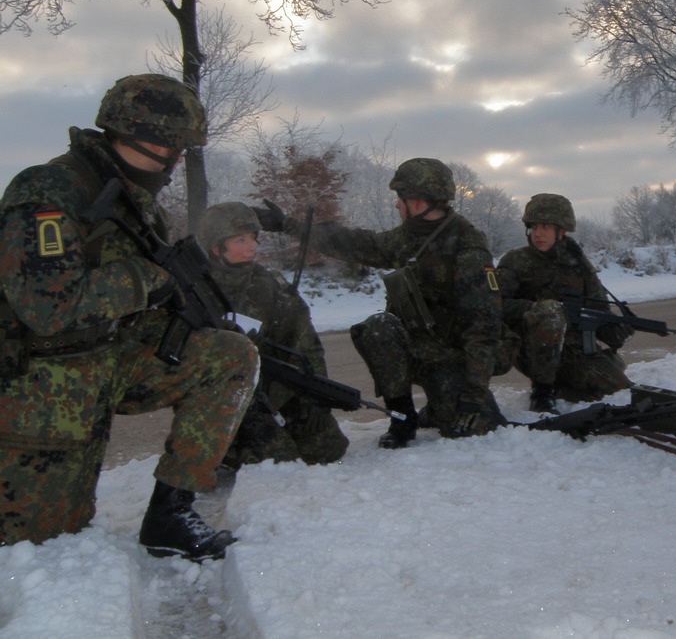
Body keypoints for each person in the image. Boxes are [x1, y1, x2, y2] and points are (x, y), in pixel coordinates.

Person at [0, 74, 258, 561]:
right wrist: (148, 277)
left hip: (108, 363)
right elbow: (47, 307)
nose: (178, 159)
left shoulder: (133, 200)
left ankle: (169, 514)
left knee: (229, 356)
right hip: (44, 387)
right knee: (39, 550)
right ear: (147, 136)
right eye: (176, 146)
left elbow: (133, 305)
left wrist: (183, 316)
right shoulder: (50, 191)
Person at [255, 157, 508, 448]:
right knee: (377, 327)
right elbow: (356, 244)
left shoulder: (468, 246)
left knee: (471, 429)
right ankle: (402, 417)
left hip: (452, 356)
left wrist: (474, 393)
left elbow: (483, 325)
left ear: (418, 200)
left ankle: (443, 403)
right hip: (415, 345)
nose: (397, 204)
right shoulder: (408, 237)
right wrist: (290, 225)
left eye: (401, 198)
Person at [196, 202, 349, 468]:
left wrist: (316, 399)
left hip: (274, 390)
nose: (252, 247)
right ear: (215, 246)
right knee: (278, 459)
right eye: (240, 240)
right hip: (225, 401)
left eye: (254, 238)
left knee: (328, 447)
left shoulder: (270, 284)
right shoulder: (197, 291)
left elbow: (306, 344)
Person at [495, 193, 632, 414]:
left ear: (562, 231)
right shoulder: (516, 261)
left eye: (546, 227)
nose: (538, 233)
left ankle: (561, 385)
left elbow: (598, 310)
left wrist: (617, 329)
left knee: (615, 384)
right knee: (550, 311)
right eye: (534, 227)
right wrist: (532, 309)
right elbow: (495, 305)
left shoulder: (578, 264)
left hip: (570, 349)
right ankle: (542, 392)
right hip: (530, 348)